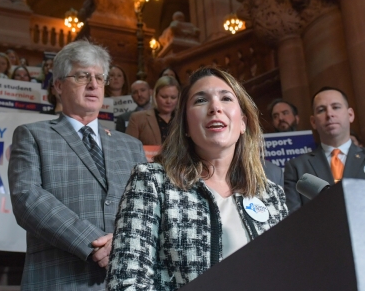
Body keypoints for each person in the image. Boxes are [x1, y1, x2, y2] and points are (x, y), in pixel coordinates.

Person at [107, 67, 288, 291]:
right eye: (201, 100)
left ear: (242, 122)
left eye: (226, 98)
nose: (215, 108)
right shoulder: (152, 182)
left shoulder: (271, 195)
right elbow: (126, 282)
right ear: (185, 127)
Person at [9, 40, 146, 290]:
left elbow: (146, 210)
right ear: (59, 85)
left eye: (99, 77)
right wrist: (93, 242)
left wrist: (124, 244)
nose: (94, 84)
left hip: (126, 281)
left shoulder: (131, 146)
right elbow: (26, 198)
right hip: (60, 279)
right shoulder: (32, 135)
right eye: (83, 76)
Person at [284, 87, 365, 212]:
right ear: (313, 121)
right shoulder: (297, 167)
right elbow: (293, 217)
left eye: (336, 107)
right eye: (321, 110)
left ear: (350, 115)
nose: (329, 114)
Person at [126, 76, 180, 146]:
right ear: (155, 95)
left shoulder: (184, 118)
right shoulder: (137, 118)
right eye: (164, 97)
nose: (169, 101)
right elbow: (129, 148)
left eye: (173, 97)